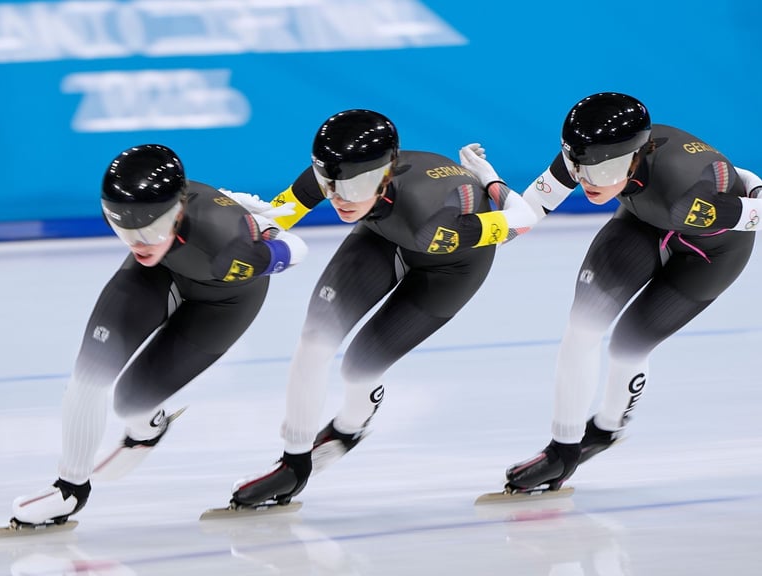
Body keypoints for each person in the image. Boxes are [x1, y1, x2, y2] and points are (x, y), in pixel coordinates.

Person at [460, 92, 762, 493]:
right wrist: (492, 182)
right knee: (581, 330)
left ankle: (607, 429)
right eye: (580, 169)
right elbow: (527, 216)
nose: (588, 182)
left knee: (627, 347)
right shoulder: (583, 155)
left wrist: (752, 184)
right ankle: (562, 452)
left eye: (603, 171)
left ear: (637, 156)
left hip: (709, 252)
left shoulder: (687, 195)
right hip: (641, 222)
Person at [227, 109, 537, 509]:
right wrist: (244, 220)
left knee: (358, 366)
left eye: (355, 188)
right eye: (330, 186)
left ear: (386, 176)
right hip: (381, 238)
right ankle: (293, 465)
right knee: (313, 342)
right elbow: (279, 216)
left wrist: (491, 180)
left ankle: (349, 428)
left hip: (450, 265)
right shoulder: (339, 174)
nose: (340, 198)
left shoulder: (431, 217)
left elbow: (524, 219)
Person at [8, 144, 308, 529]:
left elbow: (296, 248)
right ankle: (69, 491)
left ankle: (147, 427)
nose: (139, 243)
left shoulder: (223, 236)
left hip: (223, 304)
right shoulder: (147, 236)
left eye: (151, 228)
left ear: (179, 212)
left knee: (130, 404)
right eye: (124, 229)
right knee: (88, 378)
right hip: (155, 278)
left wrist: (266, 244)